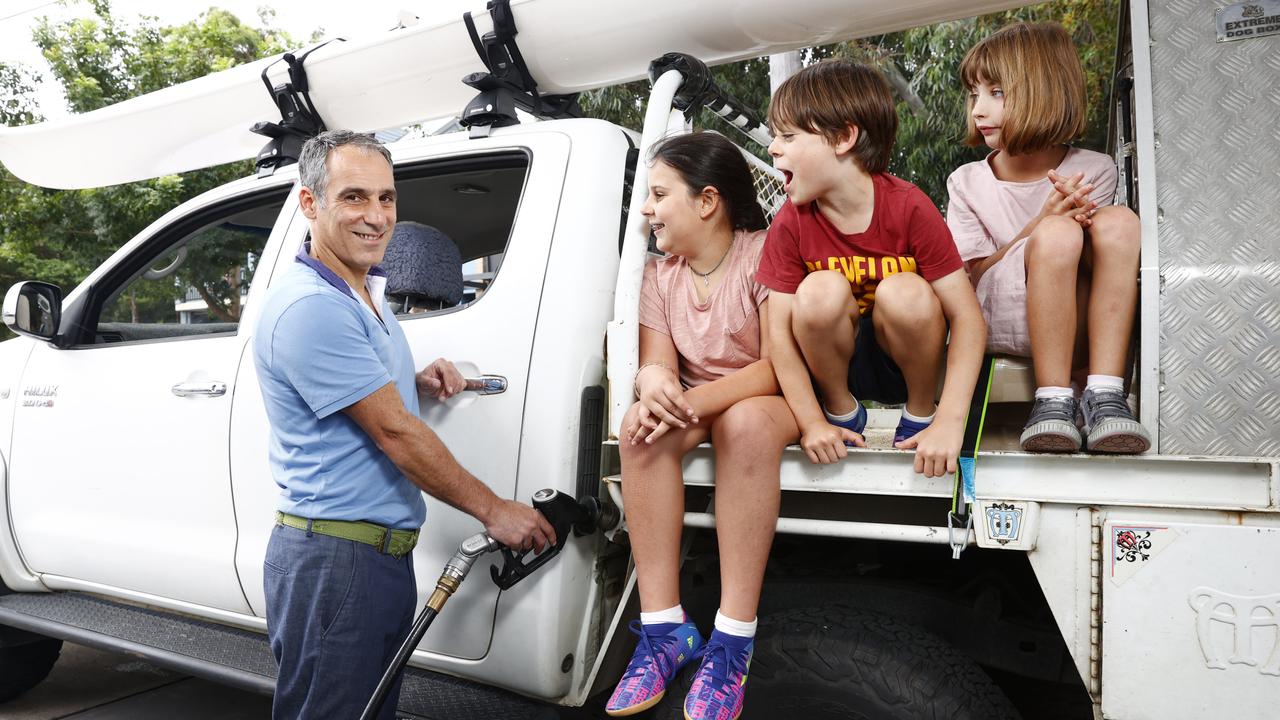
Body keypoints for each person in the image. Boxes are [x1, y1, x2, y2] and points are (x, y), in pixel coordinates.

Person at [252, 129, 555, 720]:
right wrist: (495, 510)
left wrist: (411, 379)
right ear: (309, 203)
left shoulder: (359, 292)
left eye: (387, 198)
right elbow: (394, 433)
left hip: (366, 560)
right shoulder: (311, 305)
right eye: (354, 197)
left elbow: (361, 391)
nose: (376, 216)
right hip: (336, 564)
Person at [605, 132, 798, 720]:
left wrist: (697, 400)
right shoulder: (662, 276)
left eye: (660, 194)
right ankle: (665, 630)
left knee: (743, 426)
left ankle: (734, 640)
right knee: (639, 429)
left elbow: (777, 364)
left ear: (707, 200)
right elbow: (659, 359)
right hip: (699, 400)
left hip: (767, 392)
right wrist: (654, 385)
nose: (647, 210)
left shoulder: (763, 253)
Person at [759, 60, 987, 477]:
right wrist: (811, 422)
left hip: (906, 357)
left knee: (905, 291)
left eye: (787, 136)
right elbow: (779, 336)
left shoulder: (908, 205)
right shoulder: (791, 222)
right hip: (837, 364)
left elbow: (968, 319)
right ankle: (842, 411)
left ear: (844, 137)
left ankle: (920, 412)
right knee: (817, 292)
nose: (773, 147)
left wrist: (950, 422)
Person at [946, 22, 1150, 453]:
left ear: (1043, 90)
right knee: (1057, 231)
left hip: (1068, 318)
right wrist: (1039, 225)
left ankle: (1106, 392)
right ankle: (1053, 399)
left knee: (1120, 223)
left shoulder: (1094, 168)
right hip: (996, 319)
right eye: (974, 94)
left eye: (995, 93)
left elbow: (1095, 265)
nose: (978, 110)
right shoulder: (967, 181)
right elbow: (969, 279)